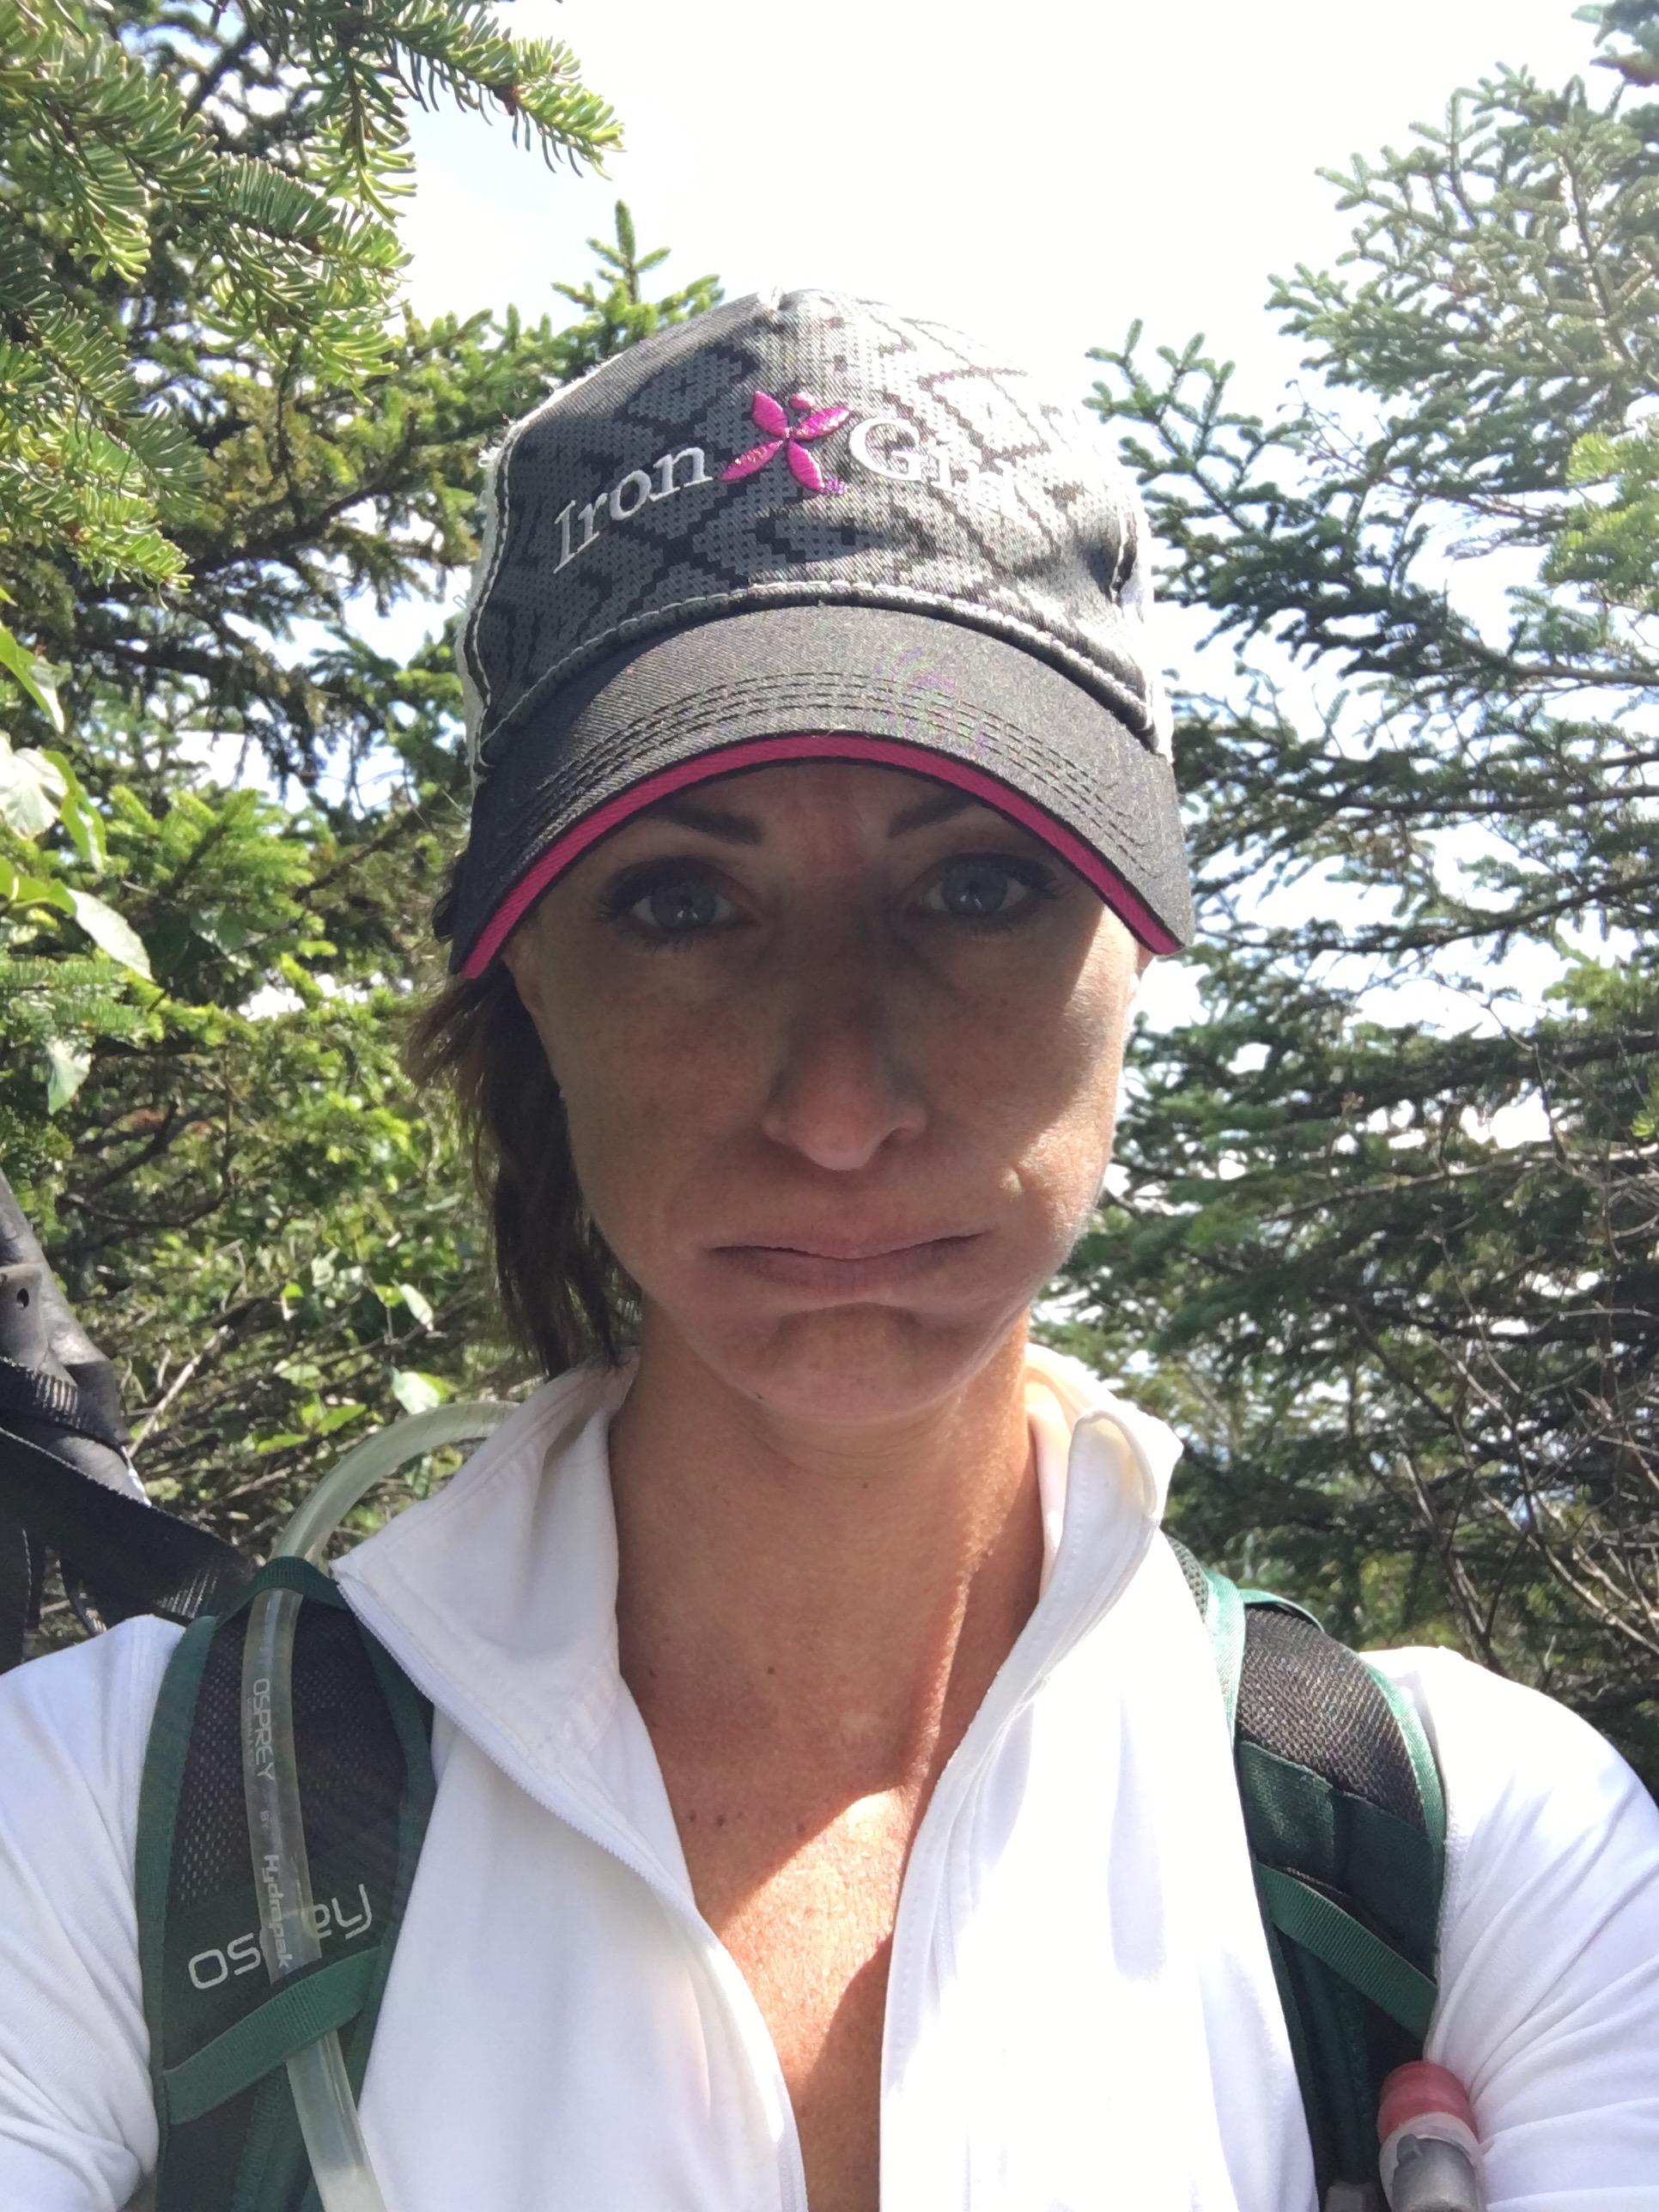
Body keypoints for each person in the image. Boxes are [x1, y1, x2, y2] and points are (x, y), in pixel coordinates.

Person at [0, 288, 1655, 2212]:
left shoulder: (1477, 1860)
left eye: (980, 884)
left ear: (1136, 953)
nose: (842, 1105)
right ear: (527, 974)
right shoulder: (91, 1830)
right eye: (682, 903)